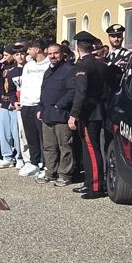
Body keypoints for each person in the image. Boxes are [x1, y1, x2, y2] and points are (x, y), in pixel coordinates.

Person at [71, 32, 111, 198]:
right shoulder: (101, 64)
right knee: (88, 149)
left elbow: (81, 92)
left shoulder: (83, 65)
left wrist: (74, 114)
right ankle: (89, 182)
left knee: (92, 150)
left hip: (89, 112)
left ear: (77, 47)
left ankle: (95, 187)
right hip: (98, 109)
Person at [38, 42, 78, 187]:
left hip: (61, 115)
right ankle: (50, 173)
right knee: (49, 147)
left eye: (55, 53)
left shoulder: (69, 70)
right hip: (47, 115)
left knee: (65, 146)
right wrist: (40, 108)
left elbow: (72, 92)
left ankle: (65, 175)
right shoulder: (48, 71)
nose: (52, 56)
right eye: (50, 53)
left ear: (62, 54)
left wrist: (59, 105)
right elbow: (43, 91)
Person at [18, 42, 48, 178]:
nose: (28, 51)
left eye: (30, 48)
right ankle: (33, 163)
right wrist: (22, 102)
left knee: (44, 137)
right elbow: (24, 84)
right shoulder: (28, 65)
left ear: (38, 49)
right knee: (30, 135)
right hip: (26, 104)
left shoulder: (48, 64)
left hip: (39, 104)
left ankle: (47, 164)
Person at [0, 47, 23, 169]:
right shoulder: (3, 68)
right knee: (4, 132)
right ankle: (7, 156)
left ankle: (19, 157)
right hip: (4, 102)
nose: (5, 57)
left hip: (15, 103)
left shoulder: (19, 69)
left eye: (7, 55)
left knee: (16, 133)